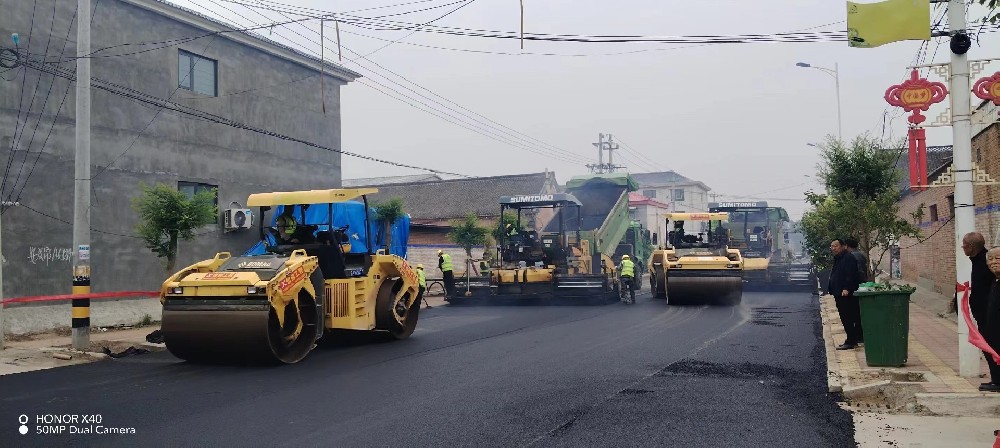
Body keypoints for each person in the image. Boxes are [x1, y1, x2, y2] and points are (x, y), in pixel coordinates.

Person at [828, 238, 863, 350]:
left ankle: (851, 341)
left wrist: (846, 288)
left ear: (843, 246)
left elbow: (851, 274)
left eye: (836, 246)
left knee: (848, 317)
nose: (833, 248)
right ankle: (852, 339)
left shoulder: (848, 258)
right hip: (838, 292)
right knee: (845, 317)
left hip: (845, 293)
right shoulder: (839, 258)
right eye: (832, 246)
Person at [979, 243, 1000, 392]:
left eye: (998, 258)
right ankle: (997, 381)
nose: (993, 262)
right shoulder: (995, 281)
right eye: (990, 259)